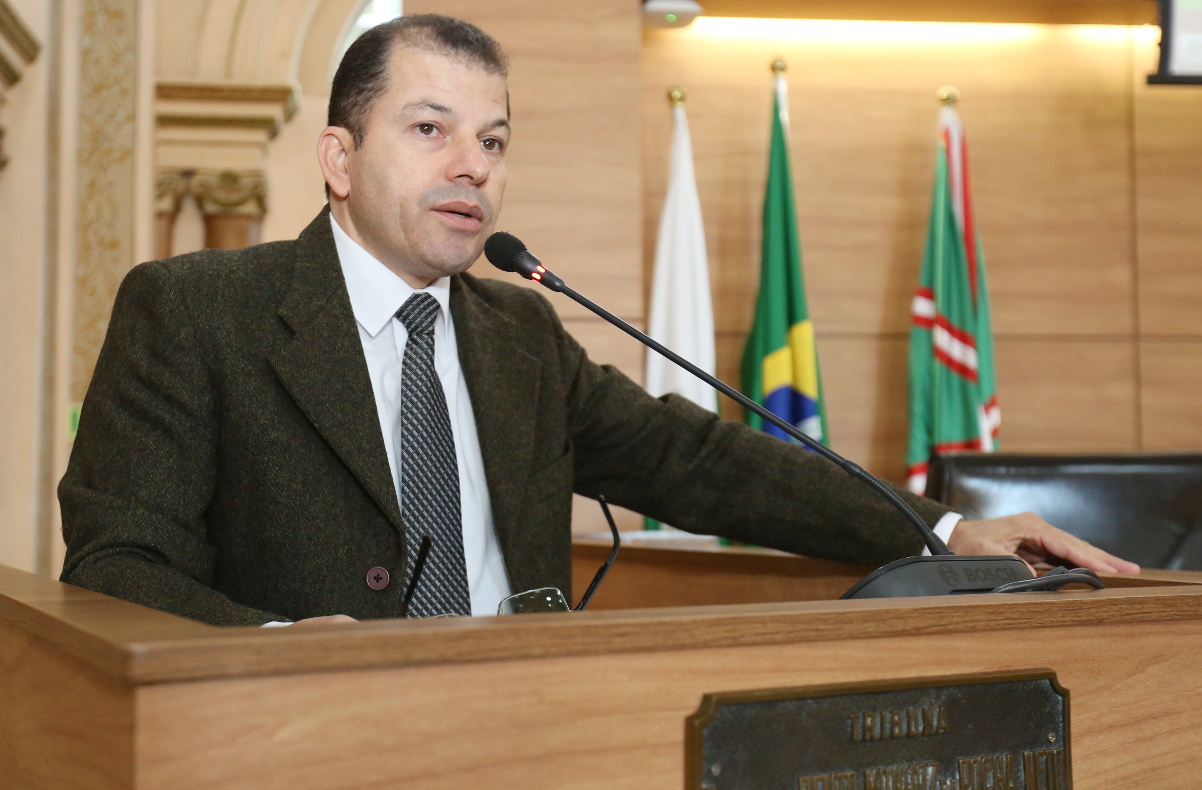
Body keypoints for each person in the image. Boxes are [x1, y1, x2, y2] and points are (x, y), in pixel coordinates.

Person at [58, 15, 1138, 628]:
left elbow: (707, 463)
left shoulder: (517, 336)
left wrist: (946, 534)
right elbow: (116, 566)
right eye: (429, 129)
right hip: (294, 752)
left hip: (532, 735)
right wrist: (279, 646)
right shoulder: (196, 312)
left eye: (492, 139)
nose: (470, 166)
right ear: (337, 160)